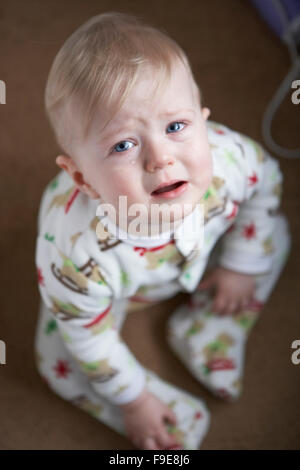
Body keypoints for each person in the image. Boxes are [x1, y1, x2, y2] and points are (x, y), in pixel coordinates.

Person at [34, 11, 291, 450]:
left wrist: (240, 266)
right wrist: (133, 401)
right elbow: (86, 336)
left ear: (204, 122)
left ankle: (209, 329)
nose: (161, 159)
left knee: (274, 233)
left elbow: (266, 187)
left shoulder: (229, 160)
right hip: (112, 295)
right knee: (58, 352)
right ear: (83, 180)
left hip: (202, 256)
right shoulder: (75, 257)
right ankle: (154, 406)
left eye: (176, 127)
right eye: (123, 145)